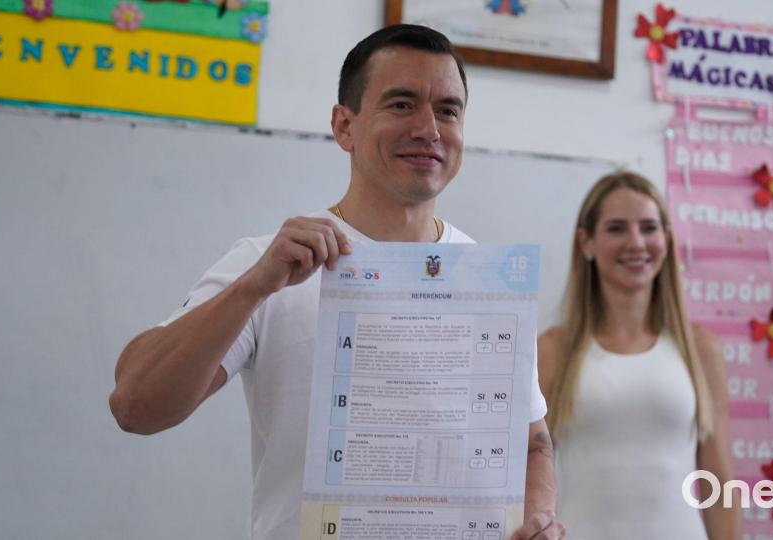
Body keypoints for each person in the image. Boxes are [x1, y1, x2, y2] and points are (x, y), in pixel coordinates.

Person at [110, 24, 565, 540]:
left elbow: (531, 445)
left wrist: (539, 516)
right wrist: (252, 288)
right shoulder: (270, 264)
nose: (429, 129)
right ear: (344, 126)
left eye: (447, 109)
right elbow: (135, 406)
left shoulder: (489, 282)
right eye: (401, 104)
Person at [537, 172, 741, 539]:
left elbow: (718, 482)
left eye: (649, 228)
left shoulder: (700, 350)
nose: (636, 242)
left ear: (666, 238)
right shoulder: (553, 350)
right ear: (587, 242)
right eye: (616, 228)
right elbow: (527, 475)